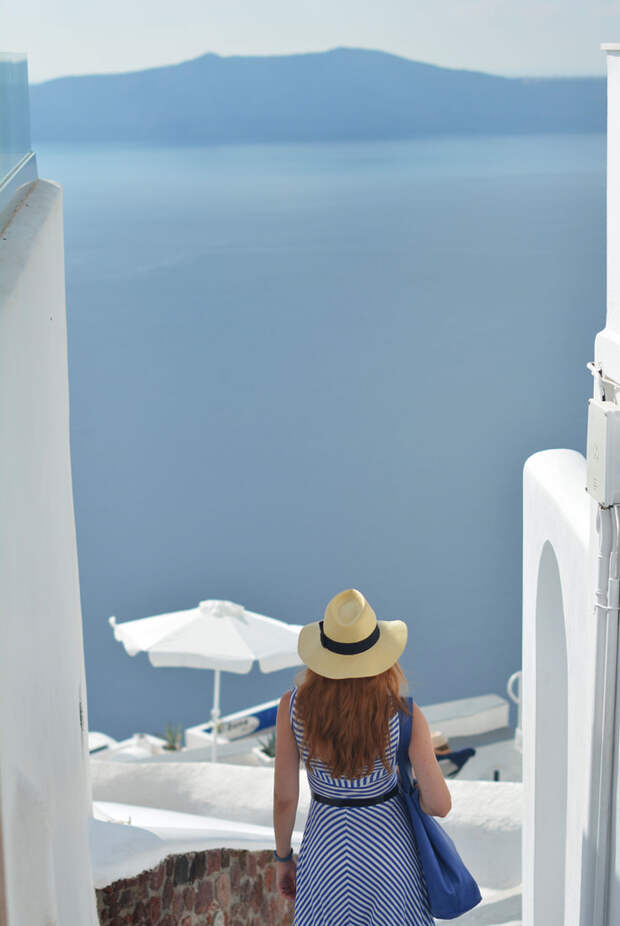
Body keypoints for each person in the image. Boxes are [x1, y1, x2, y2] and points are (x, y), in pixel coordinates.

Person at [272, 588, 452, 925]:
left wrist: (283, 858)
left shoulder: (292, 707)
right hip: (390, 854)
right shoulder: (405, 716)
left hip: (325, 851)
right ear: (380, 655)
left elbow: (284, 798)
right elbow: (439, 805)